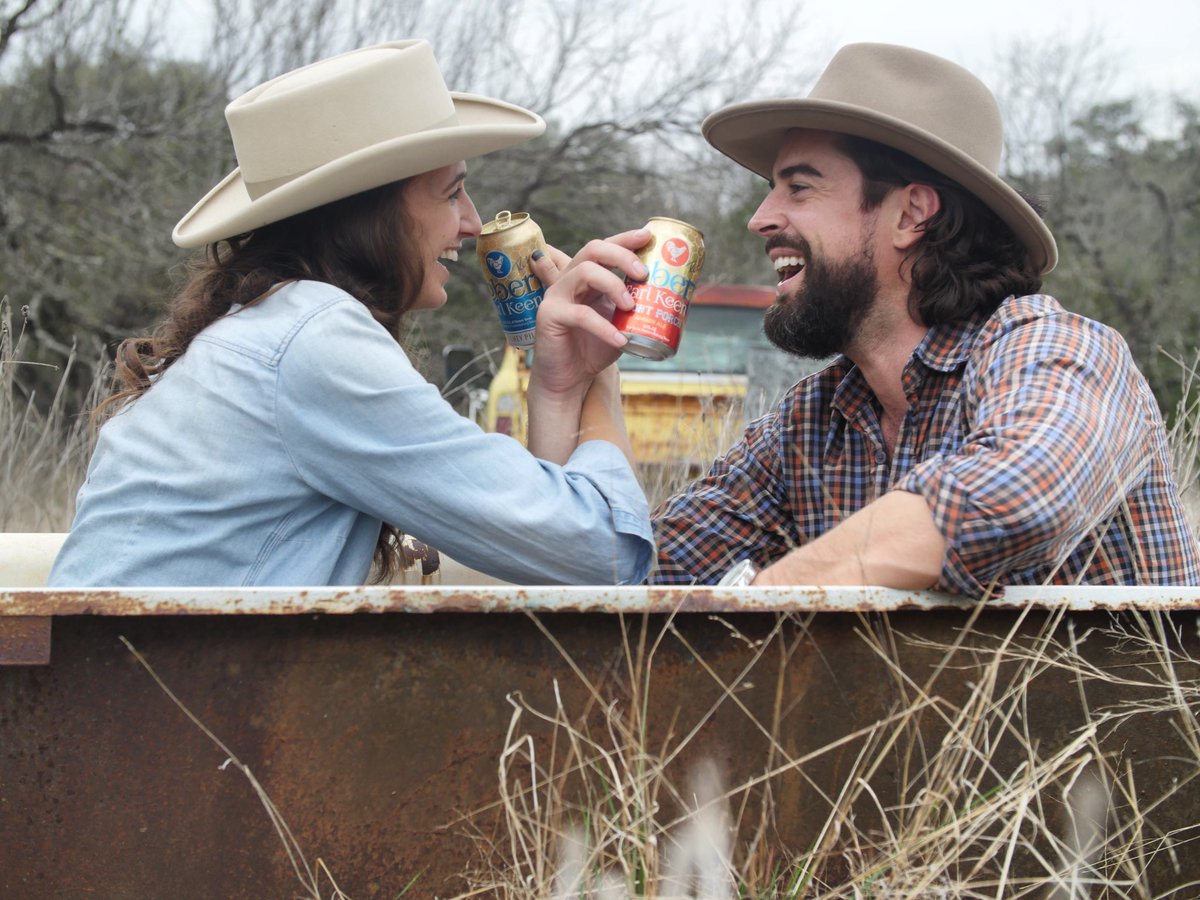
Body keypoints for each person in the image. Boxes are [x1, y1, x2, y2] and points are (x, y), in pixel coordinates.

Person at [49, 40, 653, 588]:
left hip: (138, 692)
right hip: (162, 703)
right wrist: (599, 374)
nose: (472, 223)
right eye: (450, 193)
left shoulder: (263, 324)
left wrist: (558, 384)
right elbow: (604, 557)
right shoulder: (314, 341)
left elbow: (540, 552)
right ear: (370, 214)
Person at [650, 43, 1200, 596]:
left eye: (799, 187)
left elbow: (1018, 495)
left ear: (910, 214)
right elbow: (648, 575)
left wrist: (765, 599)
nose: (761, 219)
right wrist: (577, 376)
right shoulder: (812, 422)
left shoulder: (1056, 350)